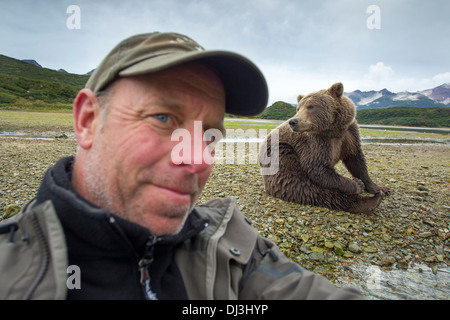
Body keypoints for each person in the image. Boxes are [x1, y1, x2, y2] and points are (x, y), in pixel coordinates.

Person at [0, 32, 363, 300]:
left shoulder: (231, 250)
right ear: (87, 121)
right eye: (163, 117)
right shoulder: (12, 271)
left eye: (210, 136)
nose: (196, 159)